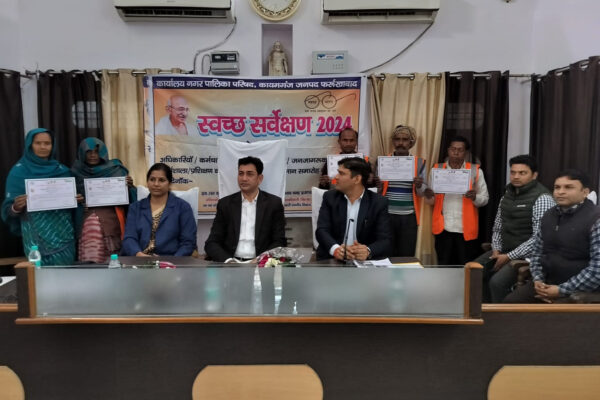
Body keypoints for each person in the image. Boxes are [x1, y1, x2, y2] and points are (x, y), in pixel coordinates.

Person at [503, 170, 600, 303]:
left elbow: (597, 269)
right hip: (546, 284)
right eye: (557, 187)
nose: (560, 192)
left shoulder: (595, 219)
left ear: (585, 192)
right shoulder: (549, 215)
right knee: (510, 304)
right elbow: (537, 253)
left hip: (580, 291)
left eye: (568, 187)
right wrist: (538, 280)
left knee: (549, 315)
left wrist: (561, 290)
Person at [476, 155, 555, 302]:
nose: (516, 176)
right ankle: (484, 311)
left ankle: (502, 315)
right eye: (513, 172)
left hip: (527, 256)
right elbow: (498, 227)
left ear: (534, 175)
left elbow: (539, 239)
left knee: (497, 283)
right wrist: (496, 250)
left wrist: (509, 256)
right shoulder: (507, 195)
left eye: (522, 173)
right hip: (503, 251)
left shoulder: (543, 198)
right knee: (473, 272)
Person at [1, 128, 79, 266]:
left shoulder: (63, 171)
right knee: (38, 275)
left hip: (63, 235)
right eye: (38, 143)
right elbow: (9, 210)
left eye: (47, 143)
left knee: (65, 274)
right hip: (36, 238)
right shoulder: (19, 172)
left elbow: (72, 206)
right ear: (30, 145)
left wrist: (76, 200)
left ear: (53, 145)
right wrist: (16, 207)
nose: (43, 147)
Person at [204, 156, 286, 262]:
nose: (244, 178)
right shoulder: (225, 204)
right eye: (241, 173)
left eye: (249, 174)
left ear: (260, 178)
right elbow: (212, 242)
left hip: (260, 264)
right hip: (231, 263)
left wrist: (262, 259)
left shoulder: (273, 204)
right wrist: (229, 261)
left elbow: (279, 241)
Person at [424, 136, 489, 265]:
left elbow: (485, 199)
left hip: (465, 229)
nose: (456, 152)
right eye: (453, 149)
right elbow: (431, 202)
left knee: (465, 266)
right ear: (448, 150)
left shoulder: (475, 171)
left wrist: (474, 197)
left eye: (460, 150)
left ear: (466, 152)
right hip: (443, 228)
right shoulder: (437, 170)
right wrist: (429, 195)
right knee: (443, 265)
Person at [71, 138, 137, 263]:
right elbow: (69, 200)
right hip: (87, 224)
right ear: (82, 153)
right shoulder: (74, 172)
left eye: (96, 152)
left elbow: (130, 200)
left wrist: (130, 187)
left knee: (112, 264)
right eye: (88, 152)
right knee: (91, 263)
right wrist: (77, 201)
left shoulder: (116, 170)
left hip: (112, 222)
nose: (93, 155)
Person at [316, 157, 391, 261]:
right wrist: (336, 249)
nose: (336, 177)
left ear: (357, 179)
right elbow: (322, 231)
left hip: (363, 262)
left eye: (341, 173)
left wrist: (367, 251)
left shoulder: (378, 202)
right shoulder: (330, 197)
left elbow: (385, 240)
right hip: (332, 259)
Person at [121, 163, 196, 256]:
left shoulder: (183, 208)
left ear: (169, 183)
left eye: (161, 180)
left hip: (171, 261)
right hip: (140, 259)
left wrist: (172, 261)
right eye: (152, 179)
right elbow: (129, 238)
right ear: (147, 182)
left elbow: (188, 243)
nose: (156, 184)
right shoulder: (135, 208)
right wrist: (138, 254)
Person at [378, 125, 427, 257]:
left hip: (409, 216)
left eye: (405, 140)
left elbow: (422, 193)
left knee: (406, 255)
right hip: (386, 215)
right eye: (397, 139)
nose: (400, 143)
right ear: (393, 141)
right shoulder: (383, 161)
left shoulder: (419, 162)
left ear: (411, 143)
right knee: (386, 253)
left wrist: (419, 185)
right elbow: (376, 193)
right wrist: (378, 186)